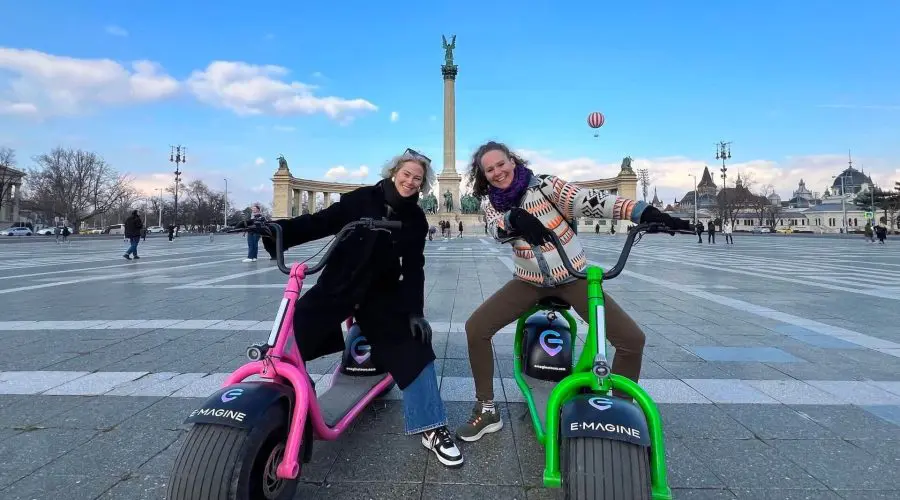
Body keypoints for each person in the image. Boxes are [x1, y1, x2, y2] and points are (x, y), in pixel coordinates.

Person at [455, 141, 691, 442]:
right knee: (476, 328)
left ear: (512, 161)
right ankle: (486, 408)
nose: (498, 172)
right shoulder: (491, 203)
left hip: (571, 276)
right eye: (489, 170)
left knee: (631, 339)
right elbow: (495, 227)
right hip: (527, 281)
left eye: (501, 164)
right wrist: (515, 219)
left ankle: (617, 412)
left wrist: (642, 211)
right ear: (483, 175)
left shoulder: (546, 186)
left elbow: (590, 200)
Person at [258, 148, 464, 468]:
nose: (410, 181)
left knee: (416, 348)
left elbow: (413, 269)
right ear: (394, 172)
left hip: (380, 296)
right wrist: (279, 230)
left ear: (423, 186)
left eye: (417, 179)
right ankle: (283, 409)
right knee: (284, 346)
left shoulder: (415, 219)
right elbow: (320, 221)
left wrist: (414, 312)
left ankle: (432, 426)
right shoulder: (360, 199)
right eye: (406, 174)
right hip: (337, 288)